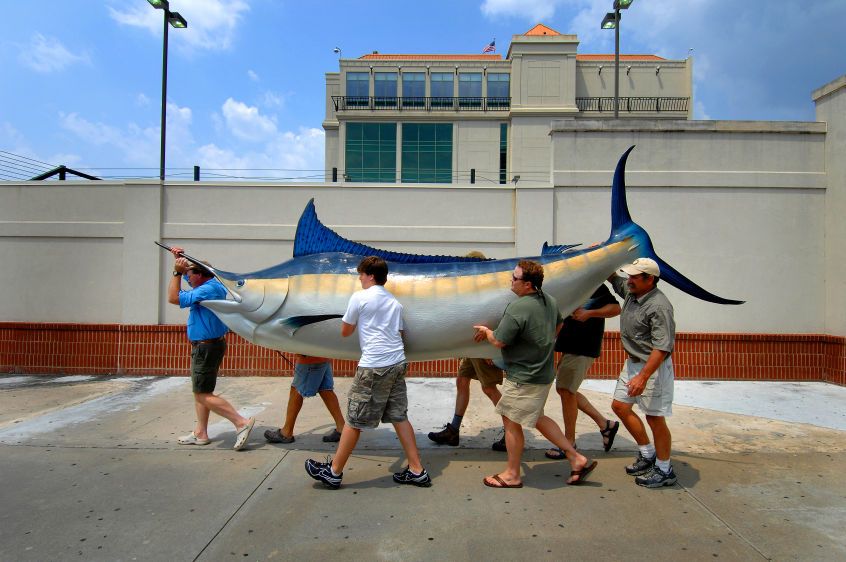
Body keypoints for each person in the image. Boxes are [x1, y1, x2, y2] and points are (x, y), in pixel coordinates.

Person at [305, 256, 431, 489]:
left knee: (354, 419)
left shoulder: (360, 298)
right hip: (397, 363)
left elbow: (345, 331)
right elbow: (400, 334)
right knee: (399, 416)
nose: (360, 279)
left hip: (374, 366)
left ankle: (333, 472)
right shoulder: (395, 303)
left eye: (361, 274)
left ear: (371, 276)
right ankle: (417, 470)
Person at [473, 260, 597, 488]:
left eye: (515, 278)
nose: (511, 281)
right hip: (542, 373)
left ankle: (512, 475)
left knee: (511, 422)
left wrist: (487, 331)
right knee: (538, 417)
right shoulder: (549, 300)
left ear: (527, 284)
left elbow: (499, 341)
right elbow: (559, 326)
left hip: (523, 377)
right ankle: (576, 458)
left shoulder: (517, 308)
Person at [167, 248, 254, 451]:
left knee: (202, 394)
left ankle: (241, 422)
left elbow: (173, 298)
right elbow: (186, 286)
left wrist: (176, 272)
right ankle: (201, 433)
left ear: (199, 275)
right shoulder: (210, 284)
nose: (187, 279)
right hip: (208, 346)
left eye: (189, 275)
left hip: (206, 348)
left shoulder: (207, 289)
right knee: (202, 390)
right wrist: (181, 261)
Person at [609, 257, 678, 488]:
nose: (629, 280)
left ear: (650, 279)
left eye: (634, 276)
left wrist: (643, 377)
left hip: (652, 367)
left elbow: (662, 347)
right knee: (620, 406)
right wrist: (600, 254)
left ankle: (665, 469)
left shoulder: (659, 306)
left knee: (654, 417)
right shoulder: (632, 292)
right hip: (633, 363)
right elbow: (613, 279)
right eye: (629, 275)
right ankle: (648, 454)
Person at [428, 251, 507, 451]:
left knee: (489, 389)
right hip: (471, 348)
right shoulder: (471, 288)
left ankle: (512, 431)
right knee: (462, 381)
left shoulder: (491, 289)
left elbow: (501, 316)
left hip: (483, 348)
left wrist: (491, 347)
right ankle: (454, 430)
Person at [545, 285, 621, 460]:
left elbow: (616, 308)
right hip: (570, 346)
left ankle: (569, 442)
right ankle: (605, 425)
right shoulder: (571, 284)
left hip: (582, 346)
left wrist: (589, 313)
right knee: (566, 390)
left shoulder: (594, 285)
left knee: (566, 391)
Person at [264, 354, 345, 444]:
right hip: (323, 357)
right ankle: (342, 428)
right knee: (325, 390)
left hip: (309, 359)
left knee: (296, 390)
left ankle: (286, 432)